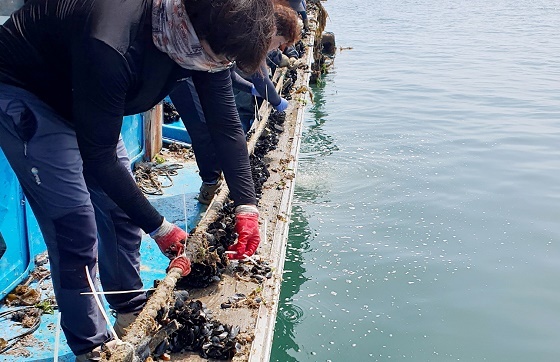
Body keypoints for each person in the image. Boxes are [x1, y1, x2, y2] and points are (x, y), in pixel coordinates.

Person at [0, 0, 275, 360]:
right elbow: (98, 158)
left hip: (93, 94)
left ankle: (128, 306)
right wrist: (160, 228)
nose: (217, 67)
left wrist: (247, 206)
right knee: (75, 227)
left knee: (120, 208)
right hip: (29, 89)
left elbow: (225, 126)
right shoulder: (114, 40)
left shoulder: (204, 43)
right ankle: (93, 347)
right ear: (191, 26)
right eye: (215, 57)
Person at [168, 1, 300, 206]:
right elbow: (261, 77)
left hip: (203, 69)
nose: (276, 48)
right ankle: (210, 183)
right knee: (201, 128)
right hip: (183, 76)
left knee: (218, 127)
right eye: (279, 42)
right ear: (274, 31)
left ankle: (218, 176)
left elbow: (227, 73)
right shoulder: (253, 33)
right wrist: (277, 101)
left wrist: (251, 89)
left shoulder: (249, 32)